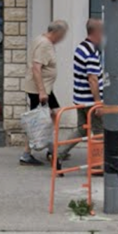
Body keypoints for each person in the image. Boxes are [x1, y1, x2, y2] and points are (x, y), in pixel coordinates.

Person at [19, 19, 68, 166]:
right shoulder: (44, 44)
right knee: (36, 121)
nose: (62, 38)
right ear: (55, 32)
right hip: (39, 89)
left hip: (44, 88)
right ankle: (28, 154)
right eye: (62, 35)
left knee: (54, 114)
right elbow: (36, 68)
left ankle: (51, 149)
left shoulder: (42, 40)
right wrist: (41, 91)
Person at [72, 17, 105, 123]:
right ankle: (60, 141)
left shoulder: (81, 47)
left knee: (81, 131)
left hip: (79, 99)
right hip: (90, 102)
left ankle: (59, 141)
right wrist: (98, 103)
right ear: (97, 32)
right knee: (99, 134)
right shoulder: (91, 52)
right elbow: (92, 80)